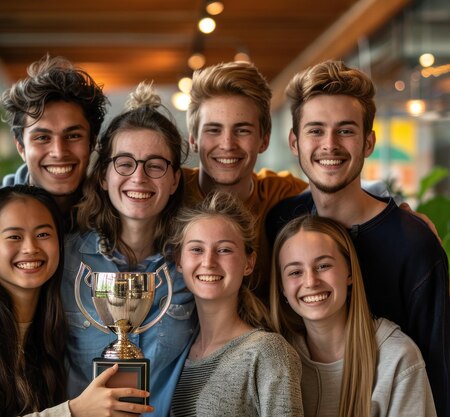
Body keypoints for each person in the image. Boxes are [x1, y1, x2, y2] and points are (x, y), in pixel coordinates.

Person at [266, 60, 449, 417]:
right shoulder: (281, 222)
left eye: (345, 130)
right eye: (315, 131)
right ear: (294, 142)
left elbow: (440, 373)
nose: (329, 145)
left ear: (368, 142)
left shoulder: (413, 244)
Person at [0, 185, 153, 417]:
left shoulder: (52, 323)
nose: (30, 248)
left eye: (43, 234)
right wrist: (74, 411)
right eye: (14, 236)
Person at [61, 82, 196, 417]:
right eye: (125, 163)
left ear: (174, 180)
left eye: (155, 165)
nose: (139, 177)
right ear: (104, 175)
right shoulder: (65, 260)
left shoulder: (191, 265)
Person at [270, 215, 437, 416]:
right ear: (282, 287)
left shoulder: (397, 358)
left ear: (349, 272)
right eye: (295, 272)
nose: (311, 281)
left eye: (323, 266)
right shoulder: (275, 360)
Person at [169, 191, 303, 417]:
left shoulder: (267, 352)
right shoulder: (176, 355)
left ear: (248, 263)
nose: (209, 262)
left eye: (224, 250)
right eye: (196, 249)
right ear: (179, 260)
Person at [183, 61, 308, 300]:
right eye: (214, 130)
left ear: (264, 140)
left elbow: (341, 205)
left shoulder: (285, 193)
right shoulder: (169, 191)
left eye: (242, 130)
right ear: (193, 139)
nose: (227, 144)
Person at [0, 54, 108, 218]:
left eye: (73, 136)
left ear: (92, 141)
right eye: (42, 138)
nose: (59, 152)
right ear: (21, 147)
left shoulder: (115, 218)